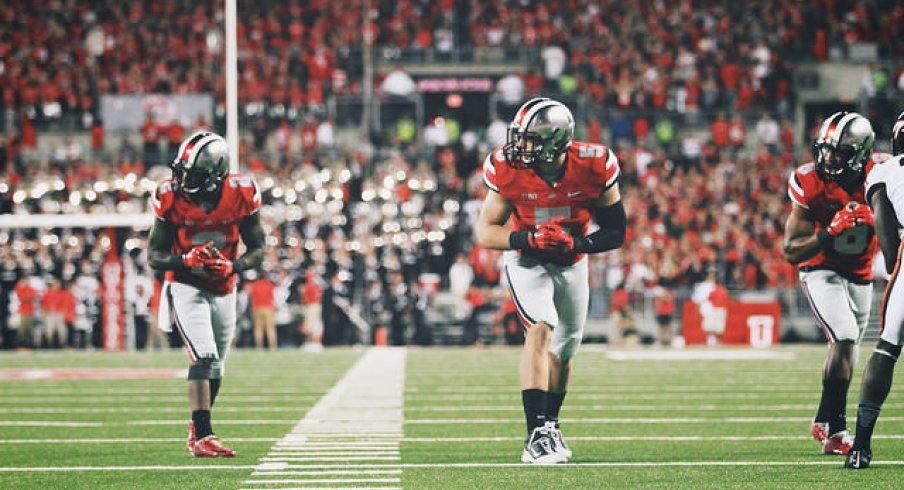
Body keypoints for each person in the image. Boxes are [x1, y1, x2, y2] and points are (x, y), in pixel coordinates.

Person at [477, 97, 626, 464]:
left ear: (554, 142)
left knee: (566, 350)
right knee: (541, 328)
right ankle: (535, 434)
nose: (518, 147)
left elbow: (616, 230)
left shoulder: (594, 165)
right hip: (528, 259)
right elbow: (486, 232)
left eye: (528, 140)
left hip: (573, 261)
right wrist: (528, 239)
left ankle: (551, 426)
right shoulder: (507, 169)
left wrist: (577, 243)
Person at [149, 131, 265, 458]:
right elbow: (154, 254)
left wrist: (233, 266)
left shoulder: (241, 192)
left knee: (217, 367)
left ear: (215, 176)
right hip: (185, 284)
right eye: (182, 172)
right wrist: (183, 260)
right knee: (204, 356)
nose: (183, 181)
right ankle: (203, 436)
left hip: (225, 287)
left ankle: (197, 429)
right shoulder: (170, 196)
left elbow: (259, 248)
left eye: (194, 175)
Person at [783, 111, 882, 456]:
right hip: (820, 268)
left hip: (861, 270)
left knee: (849, 350)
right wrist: (830, 232)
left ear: (859, 153)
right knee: (844, 337)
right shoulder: (809, 180)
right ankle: (836, 431)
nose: (828, 158)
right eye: (825, 150)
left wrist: (879, 216)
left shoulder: (880, 175)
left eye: (838, 152)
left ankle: (823, 420)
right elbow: (791, 251)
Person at [845, 112, 904, 469]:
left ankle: (860, 446)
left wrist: (890, 262)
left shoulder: (886, 171)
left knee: (887, 346)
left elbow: (886, 237)